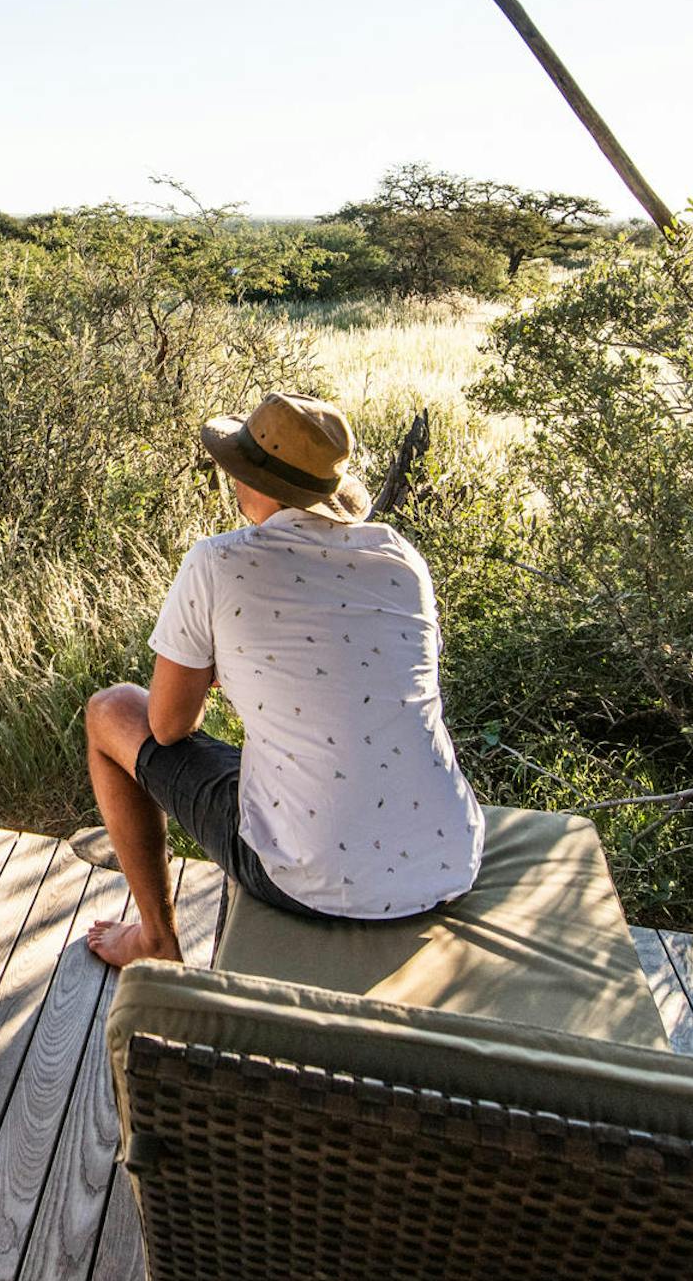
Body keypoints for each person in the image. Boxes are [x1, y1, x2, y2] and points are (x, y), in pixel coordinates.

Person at [81, 391, 486, 968]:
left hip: (311, 875)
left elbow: (169, 727)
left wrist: (217, 670)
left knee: (110, 710)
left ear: (258, 483)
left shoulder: (217, 563)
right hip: (448, 856)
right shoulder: (399, 557)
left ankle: (155, 940)